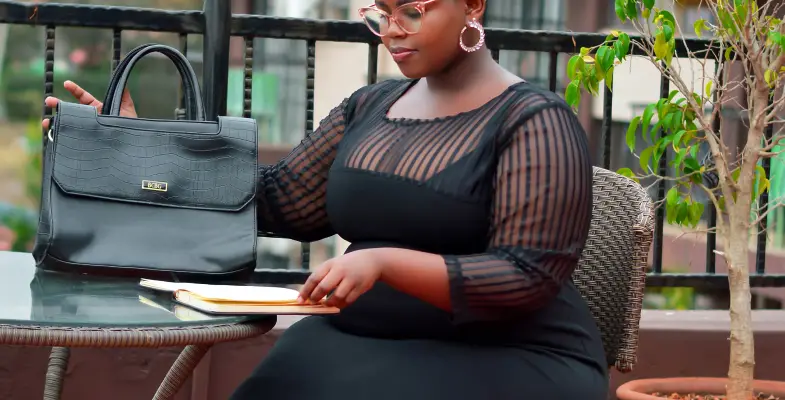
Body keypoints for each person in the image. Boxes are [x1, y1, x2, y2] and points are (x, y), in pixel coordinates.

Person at [43, 0, 608, 398]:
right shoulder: (370, 108)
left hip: (507, 359)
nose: (392, 29)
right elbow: (272, 199)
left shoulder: (535, 120)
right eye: (381, 14)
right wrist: (139, 148)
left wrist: (384, 263)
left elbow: (526, 276)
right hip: (359, 341)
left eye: (411, 10)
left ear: (473, 6)